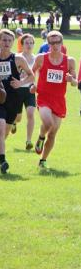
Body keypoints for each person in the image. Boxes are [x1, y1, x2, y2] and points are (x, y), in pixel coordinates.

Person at [31, 30, 77, 169]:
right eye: (52, 42)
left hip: (59, 100)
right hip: (44, 96)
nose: (55, 45)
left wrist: (71, 79)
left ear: (62, 42)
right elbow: (31, 73)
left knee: (52, 134)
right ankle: (40, 136)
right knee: (48, 122)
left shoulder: (70, 60)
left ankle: (43, 160)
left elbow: (76, 82)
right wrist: (32, 84)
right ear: (48, 43)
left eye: (57, 42)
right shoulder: (41, 58)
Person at [0, 29, 34, 174]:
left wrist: (21, 83)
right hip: (0, 99)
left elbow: (31, 76)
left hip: (13, 100)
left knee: (5, 133)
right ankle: (3, 161)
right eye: (4, 40)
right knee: (0, 129)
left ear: (13, 42)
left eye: (9, 40)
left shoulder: (18, 59)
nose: (6, 43)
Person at [16, 33, 37, 150]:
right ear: (22, 44)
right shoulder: (17, 58)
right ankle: (14, 122)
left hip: (30, 90)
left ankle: (28, 141)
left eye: (31, 43)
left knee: (30, 113)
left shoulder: (36, 59)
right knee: (18, 118)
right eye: (26, 43)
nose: (29, 45)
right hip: (18, 90)